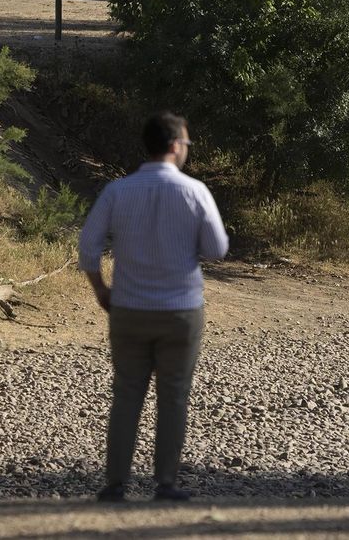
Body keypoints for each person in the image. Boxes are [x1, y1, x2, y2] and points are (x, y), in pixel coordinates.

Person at [80, 111, 230, 503]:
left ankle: (115, 484)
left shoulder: (117, 191)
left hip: (128, 306)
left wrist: (101, 290)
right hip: (180, 309)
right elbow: (217, 249)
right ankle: (165, 482)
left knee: (127, 393)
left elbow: (88, 247)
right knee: (174, 395)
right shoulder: (195, 192)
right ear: (176, 145)